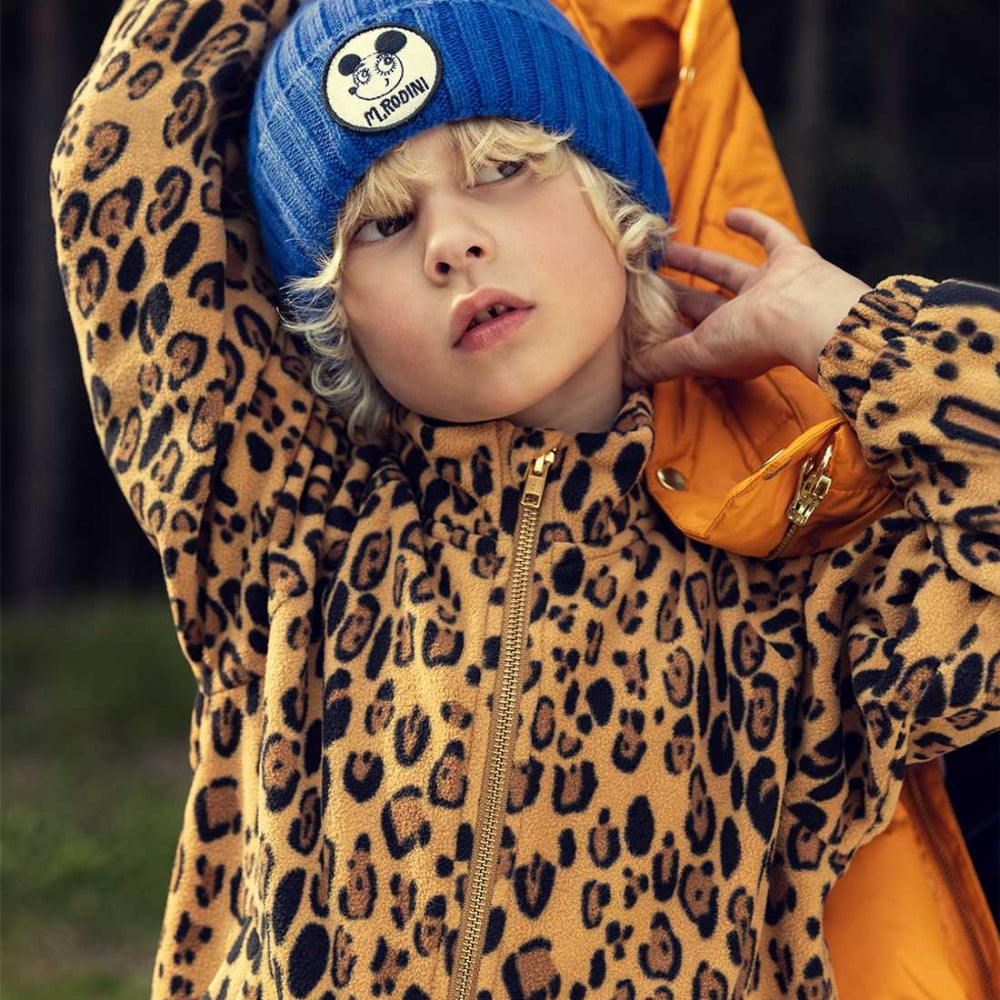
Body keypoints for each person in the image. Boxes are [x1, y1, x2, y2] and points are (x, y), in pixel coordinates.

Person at [50, 0, 999, 997]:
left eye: (502, 169)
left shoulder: (798, 585)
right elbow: (120, 159)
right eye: (383, 223)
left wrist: (842, 328)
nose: (450, 244)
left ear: (617, 204)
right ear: (338, 324)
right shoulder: (289, 527)